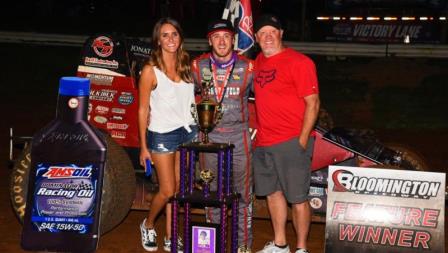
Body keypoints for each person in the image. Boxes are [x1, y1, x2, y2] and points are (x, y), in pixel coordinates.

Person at [252, 14, 320, 253]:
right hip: (263, 142)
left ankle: (301, 248)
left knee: (298, 198)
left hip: (291, 141)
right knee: (272, 193)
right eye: (262, 33)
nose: (268, 37)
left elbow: (313, 103)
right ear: (256, 38)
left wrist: (301, 140)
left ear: (281, 33)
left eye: (273, 31)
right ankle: (280, 243)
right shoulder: (258, 61)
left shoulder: (299, 62)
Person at [191, 19, 254, 252]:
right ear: (209, 40)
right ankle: (210, 246)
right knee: (211, 194)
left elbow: (270, 97)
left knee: (243, 198)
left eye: (226, 36)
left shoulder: (249, 67)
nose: (221, 41)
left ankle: (243, 247)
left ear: (233, 39)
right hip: (210, 137)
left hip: (239, 137)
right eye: (216, 37)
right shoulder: (197, 66)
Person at [138, 17, 197, 252]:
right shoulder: (150, 70)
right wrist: (143, 147)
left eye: (174, 34)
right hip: (162, 135)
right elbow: (143, 109)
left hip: (188, 133)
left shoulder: (187, 66)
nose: (170, 39)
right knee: (167, 190)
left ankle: (172, 237)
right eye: (165, 35)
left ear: (180, 37)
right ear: (158, 40)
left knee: (179, 192)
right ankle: (148, 224)